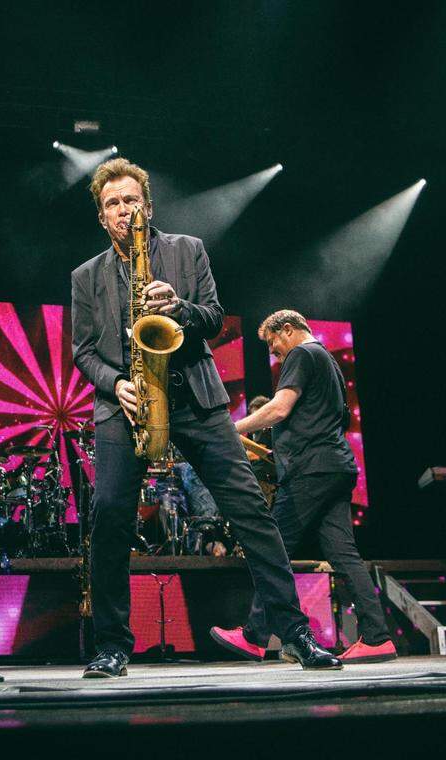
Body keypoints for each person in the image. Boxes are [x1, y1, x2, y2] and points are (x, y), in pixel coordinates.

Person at [71, 158, 340, 677]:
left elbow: (214, 317)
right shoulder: (86, 276)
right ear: (102, 217)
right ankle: (111, 645)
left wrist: (179, 309)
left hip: (195, 397)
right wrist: (116, 383)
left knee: (251, 512)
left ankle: (296, 632)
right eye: (112, 204)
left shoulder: (187, 251)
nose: (124, 210)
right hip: (127, 404)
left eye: (131, 200)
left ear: (147, 206)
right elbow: (83, 350)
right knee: (109, 516)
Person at [213, 310, 396, 664]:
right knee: (344, 555)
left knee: (272, 547)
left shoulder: (302, 353)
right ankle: (377, 637)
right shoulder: (328, 362)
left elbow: (280, 409)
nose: (274, 353)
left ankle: (254, 635)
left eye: (273, 344)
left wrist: (233, 429)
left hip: (310, 471)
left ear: (288, 329)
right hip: (336, 467)